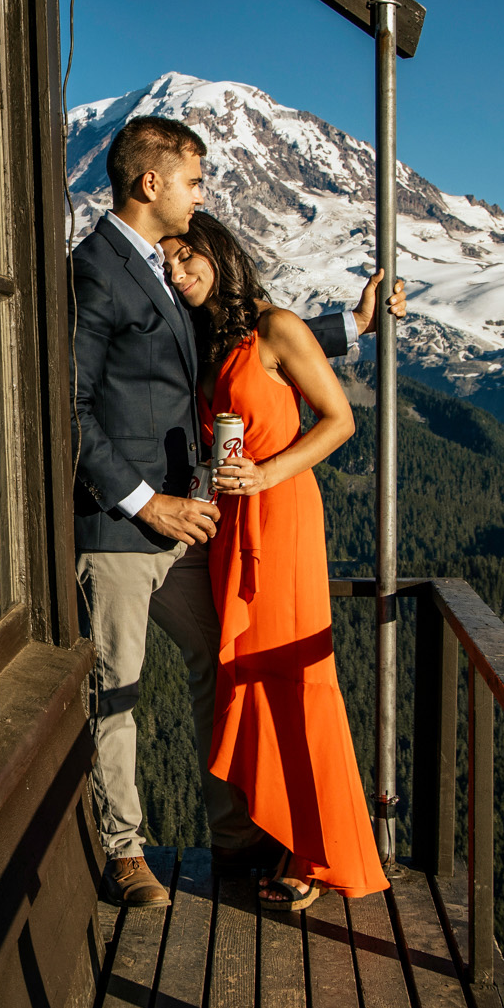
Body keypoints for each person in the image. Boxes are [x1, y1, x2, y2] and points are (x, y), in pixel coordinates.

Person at [73, 115, 399, 908]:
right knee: (117, 690)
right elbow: (69, 408)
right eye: (193, 179)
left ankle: (238, 832)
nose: (200, 195)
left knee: (221, 669)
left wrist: (349, 327)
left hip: (189, 528)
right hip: (125, 525)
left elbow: (240, 333)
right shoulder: (96, 270)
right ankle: (125, 852)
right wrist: (149, 502)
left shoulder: (156, 270)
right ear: (151, 184)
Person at [163, 211, 388, 908]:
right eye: (167, 264)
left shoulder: (276, 327)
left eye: (187, 256)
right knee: (252, 680)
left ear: (218, 250)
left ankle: (319, 853)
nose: (178, 273)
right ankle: (280, 831)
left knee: (297, 679)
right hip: (230, 525)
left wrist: (266, 474)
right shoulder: (208, 341)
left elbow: (340, 420)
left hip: (282, 519)